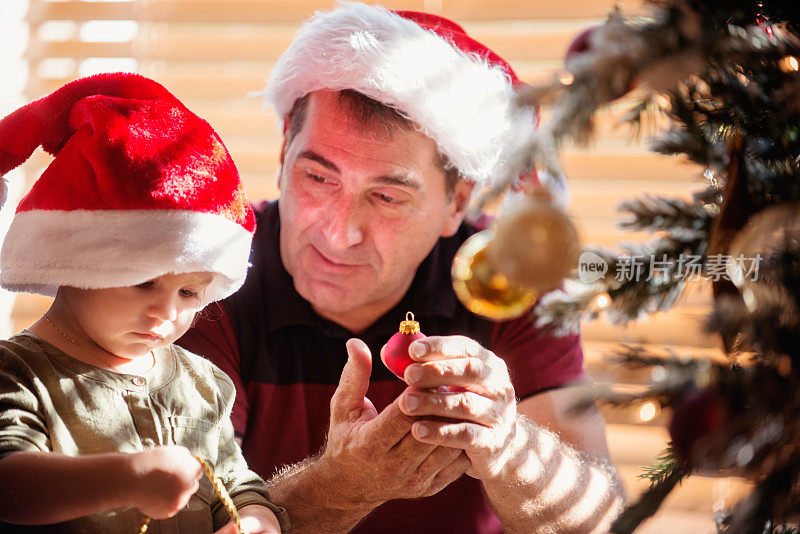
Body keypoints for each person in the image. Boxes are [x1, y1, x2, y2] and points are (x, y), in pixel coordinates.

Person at [179, 4, 625, 533]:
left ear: (457, 202)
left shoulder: (506, 277)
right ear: (283, 153)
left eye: (387, 196)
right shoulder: (207, 273)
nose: (340, 232)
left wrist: (509, 444)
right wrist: (344, 484)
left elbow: (603, 521)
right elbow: (182, 520)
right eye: (318, 179)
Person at [0, 73, 289, 533]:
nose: (167, 312)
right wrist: (128, 479)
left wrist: (255, 521)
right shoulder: (17, 372)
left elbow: (237, 485)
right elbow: (10, 485)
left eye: (189, 292)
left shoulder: (203, 384)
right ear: (78, 261)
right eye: (143, 281)